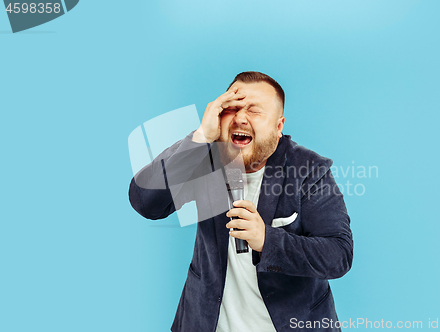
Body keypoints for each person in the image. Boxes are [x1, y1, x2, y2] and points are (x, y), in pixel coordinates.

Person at [128, 71, 353, 332]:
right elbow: (145, 201)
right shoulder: (206, 159)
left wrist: (266, 240)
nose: (241, 118)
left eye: (255, 111)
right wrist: (200, 137)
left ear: (278, 127)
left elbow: (338, 255)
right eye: (232, 108)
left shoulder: (309, 170)